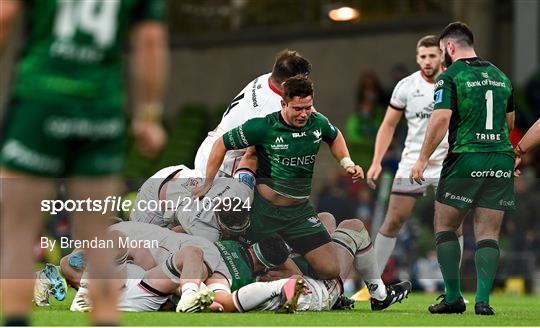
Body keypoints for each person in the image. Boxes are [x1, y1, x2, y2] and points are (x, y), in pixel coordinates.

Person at [0, 0, 167, 325]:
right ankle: (104, 317)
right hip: (100, 110)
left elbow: (4, 16)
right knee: (97, 233)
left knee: (18, 229)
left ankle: (17, 320)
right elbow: (150, 41)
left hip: (39, 102)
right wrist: (149, 115)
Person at [195, 75, 363, 280]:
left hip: (298, 213)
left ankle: (295, 266)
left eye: (308, 108)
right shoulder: (264, 127)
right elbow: (221, 143)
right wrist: (207, 183)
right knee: (245, 264)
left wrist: (347, 163)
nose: (304, 114)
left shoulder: (318, 123)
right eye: (297, 109)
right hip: (265, 213)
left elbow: (335, 137)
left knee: (329, 269)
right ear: (284, 103)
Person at [410, 22, 516, 315]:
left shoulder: (451, 76)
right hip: (500, 157)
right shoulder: (501, 76)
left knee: (446, 226)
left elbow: (441, 119)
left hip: (466, 157)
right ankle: (483, 301)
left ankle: (454, 297)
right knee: (488, 232)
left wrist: (421, 159)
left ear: (450, 47)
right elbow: (509, 124)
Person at [366, 35, 463, 274]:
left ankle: (453, 288)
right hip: (412, 162)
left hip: (448, 164)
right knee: (394, 219)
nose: (428, 61)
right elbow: (388, 125)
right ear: (417, 58)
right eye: (423, 56)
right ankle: (373, 284)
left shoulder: (457, 83)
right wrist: (376, 161)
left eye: (432, 56)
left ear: (442, 56)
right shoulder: (406, 86)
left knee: (453, 225)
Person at [194, 49, 311, 176]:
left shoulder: (268, 78)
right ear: (285, 84)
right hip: (221, 165)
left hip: (209, 148)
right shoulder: (270, 111)